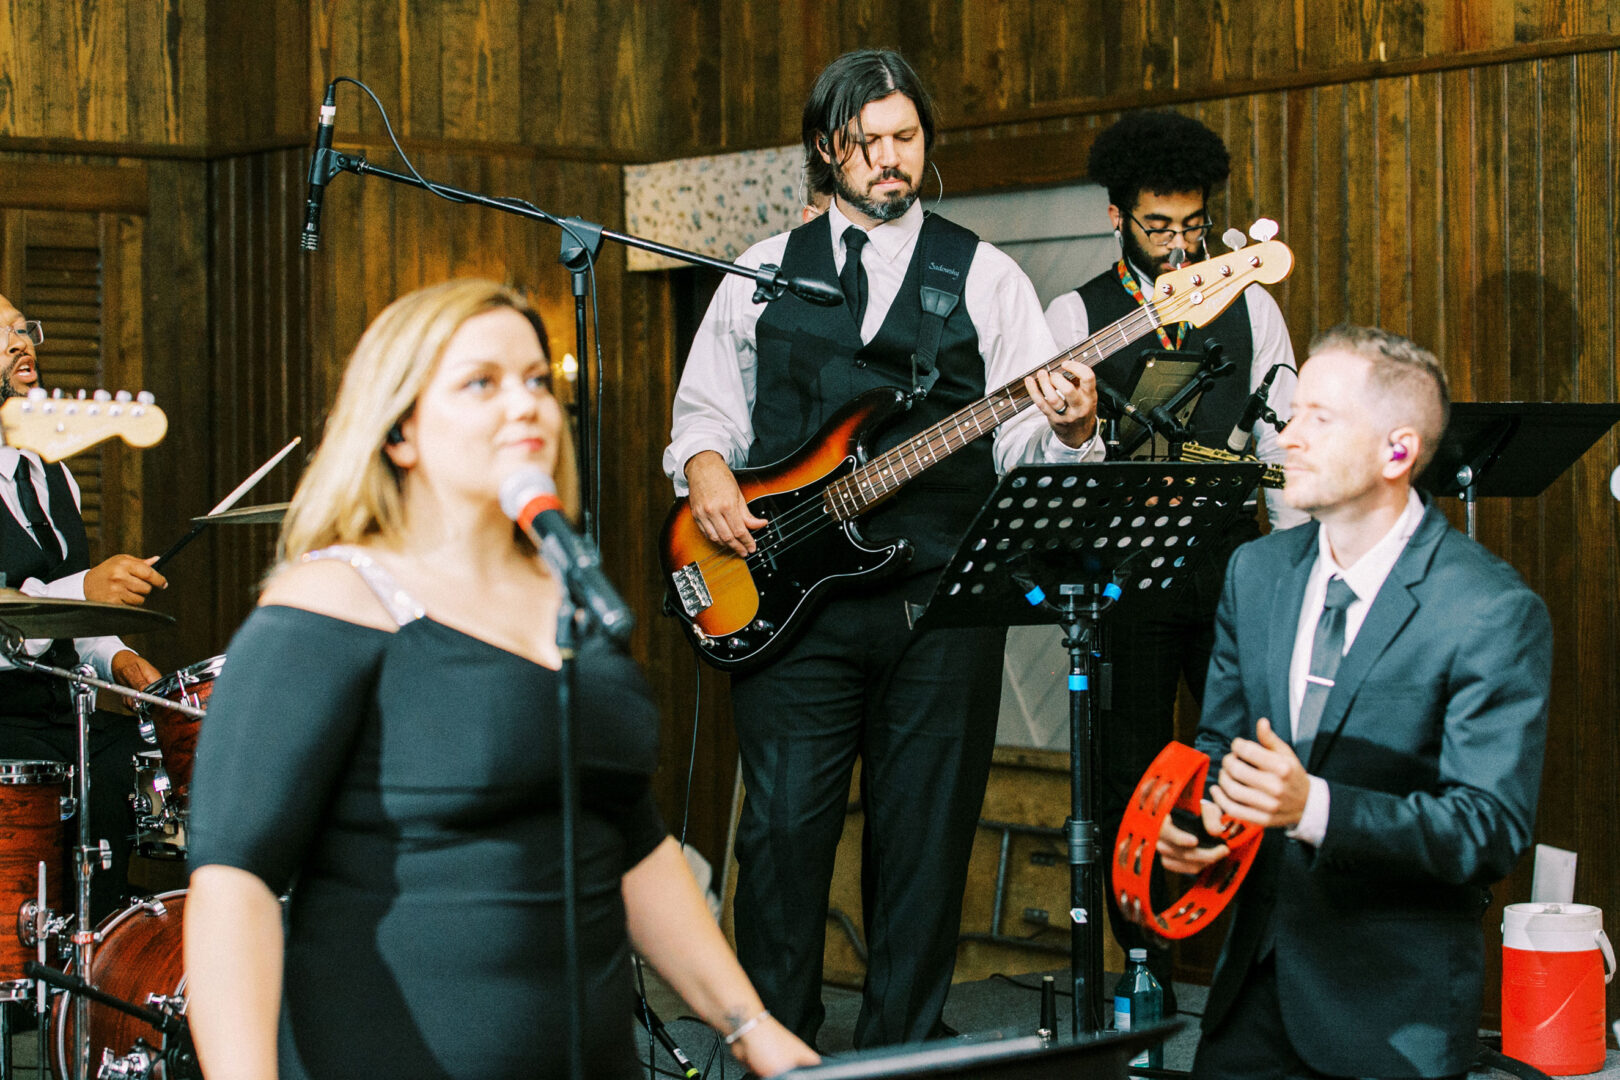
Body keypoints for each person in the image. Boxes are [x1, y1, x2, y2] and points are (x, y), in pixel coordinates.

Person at [183, 280, 817, 1080]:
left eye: (536, 381)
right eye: (481, 382)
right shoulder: (332, 602)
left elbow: (633, 843)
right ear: (400, 432)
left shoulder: (575, 598)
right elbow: (234, 881)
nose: (525, 405)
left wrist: (750, 1027)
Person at [665, 49, 1103, 1048]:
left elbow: (1024, 434)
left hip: (936, 606)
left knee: (923, 850)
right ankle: (776, 1050)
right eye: (868, 141)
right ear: (829, 149)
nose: (890, 157)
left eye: (905, 137)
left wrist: (1072, 426)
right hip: (783, 605)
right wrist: (704, 470)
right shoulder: (761, 271)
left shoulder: (986, 274)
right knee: (780, 845)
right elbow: (706, 412)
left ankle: (902, 1056)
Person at [1158, 326, 1551, 1078]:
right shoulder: (1256, 570)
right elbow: (1220, 747)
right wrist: (1199, 818)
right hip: (1251, 991)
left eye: (1319, 419)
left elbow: (1488, 829)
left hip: (1391, 1010)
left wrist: (1313, 807)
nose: (1288, 437)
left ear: (1396, 453)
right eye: (1293, 413)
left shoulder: (1489, 609)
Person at [1043, 110, 1307, 995]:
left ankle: (1256, 966)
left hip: (1234, 566)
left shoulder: (1253, 303)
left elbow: (1281, 448)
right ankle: (1142, 970)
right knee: (1133, 774)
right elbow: (1053, 463)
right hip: (1128, 573)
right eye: (1159, 227)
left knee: (1248, 761)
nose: (1180, 245)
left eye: (1194, 226)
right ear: (1117, 217)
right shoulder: (1074, 312)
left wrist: (1297, 573)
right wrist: (1083, 435)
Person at [0, 290, 166, 919]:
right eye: (2, 335)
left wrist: (121, 661)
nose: (22, 343)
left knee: (132, 758)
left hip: (59, 708)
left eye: (23, 329)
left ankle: (101, 955)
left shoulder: (53, 473)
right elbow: (21, 613)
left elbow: (77, 614)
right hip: (4, 713)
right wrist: (85, 588)